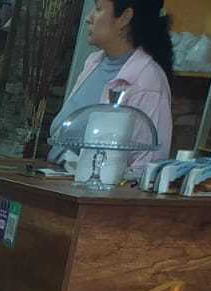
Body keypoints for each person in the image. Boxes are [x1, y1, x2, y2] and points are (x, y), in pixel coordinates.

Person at [48, 0, 173, 169]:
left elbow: (146, 165)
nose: (88, 18)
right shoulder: (93, 63)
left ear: (124, 18)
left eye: (98, 9)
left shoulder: (148, 81)